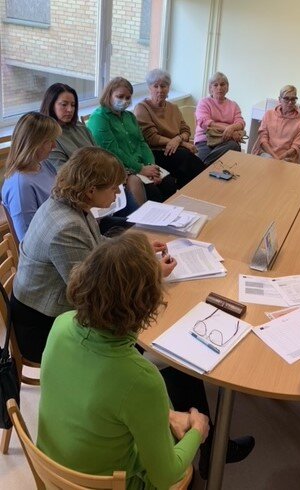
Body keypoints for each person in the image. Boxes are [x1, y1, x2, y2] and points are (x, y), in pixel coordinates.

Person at [37, 232, 210, 489]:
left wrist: (164, 415)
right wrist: (198, 429)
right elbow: (166, 476)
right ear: (147, 305)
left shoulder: (61, 325)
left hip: (52, 469)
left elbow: (101, 399)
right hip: (107, 484)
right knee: (185, 467)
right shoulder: (140, 377)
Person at [11, 147, 176, 364]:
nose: (118, 193)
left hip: (47, 308)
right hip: (42, 327)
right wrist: (152, 273)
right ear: (91, 190)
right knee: (135, 318)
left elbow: (96, 243)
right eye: (114, 188)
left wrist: (138, 250)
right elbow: (90, 293)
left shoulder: (70, 203)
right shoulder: (66, 227)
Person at [39, 82, 139, 231]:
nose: (70, 109)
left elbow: (100, 157)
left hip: (103, 187)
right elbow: (66, 175)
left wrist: (115, 177)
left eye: (73, 105)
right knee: (130, 226)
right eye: (64, 105)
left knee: (136, 217)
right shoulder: (50, 138)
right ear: (51, 104)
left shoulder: (80, 127)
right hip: (83, 195)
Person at [87, 77, 177, 204]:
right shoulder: (99, 118)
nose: (124, 101)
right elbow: (112, 151)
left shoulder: (129, 116)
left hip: (141, 166)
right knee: (153, 193)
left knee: (169, 184)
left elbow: (142, 143)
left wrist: (151, 166)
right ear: (109, 95)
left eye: (128, 98)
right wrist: (140, 169)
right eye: (120, 96)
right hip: (119, 169)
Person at [134, 69, 205, 188]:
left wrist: (178, 140)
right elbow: (152, 138)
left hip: (177, 150)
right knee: (188, 160)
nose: (160, 90)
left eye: (163, 86)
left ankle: (193, 191)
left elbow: (186, 130)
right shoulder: (142, 108)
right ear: (149, 88)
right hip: (156, 152)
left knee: (191, 163)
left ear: (168, 88)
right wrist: (182, 142)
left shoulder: (173, 108)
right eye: (155, 86)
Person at [1, 112, 60, 241]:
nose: (54, 146)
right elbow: (28, 240)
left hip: (60, 229)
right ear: (34, 144)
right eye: (49, 141)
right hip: (49, 244)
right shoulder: (21, 186)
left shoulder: (43, 164)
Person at [194, 72, 246, 165]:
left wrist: (232, 128)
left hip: (226, 140)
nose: (219, 88)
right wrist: (229, 130)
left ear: (227, 87)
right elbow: (205, 123)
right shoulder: (204, 102)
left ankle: (204, 166)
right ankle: (205, 166)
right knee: (230, 152)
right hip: (205, 139)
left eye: (222, 84)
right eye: (215, 85)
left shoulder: (233, 105)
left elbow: (241, 122)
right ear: (210, 88)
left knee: (234, 146)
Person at [251, 85, 300, 163]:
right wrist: (274, 156)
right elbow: (263, 139)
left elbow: (296, 146)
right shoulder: (269, 114)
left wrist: (280, 158)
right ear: (279, 99)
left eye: (293, 99)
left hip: (287, 157)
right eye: (286, 98)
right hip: (267, 153)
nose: (290, 102)